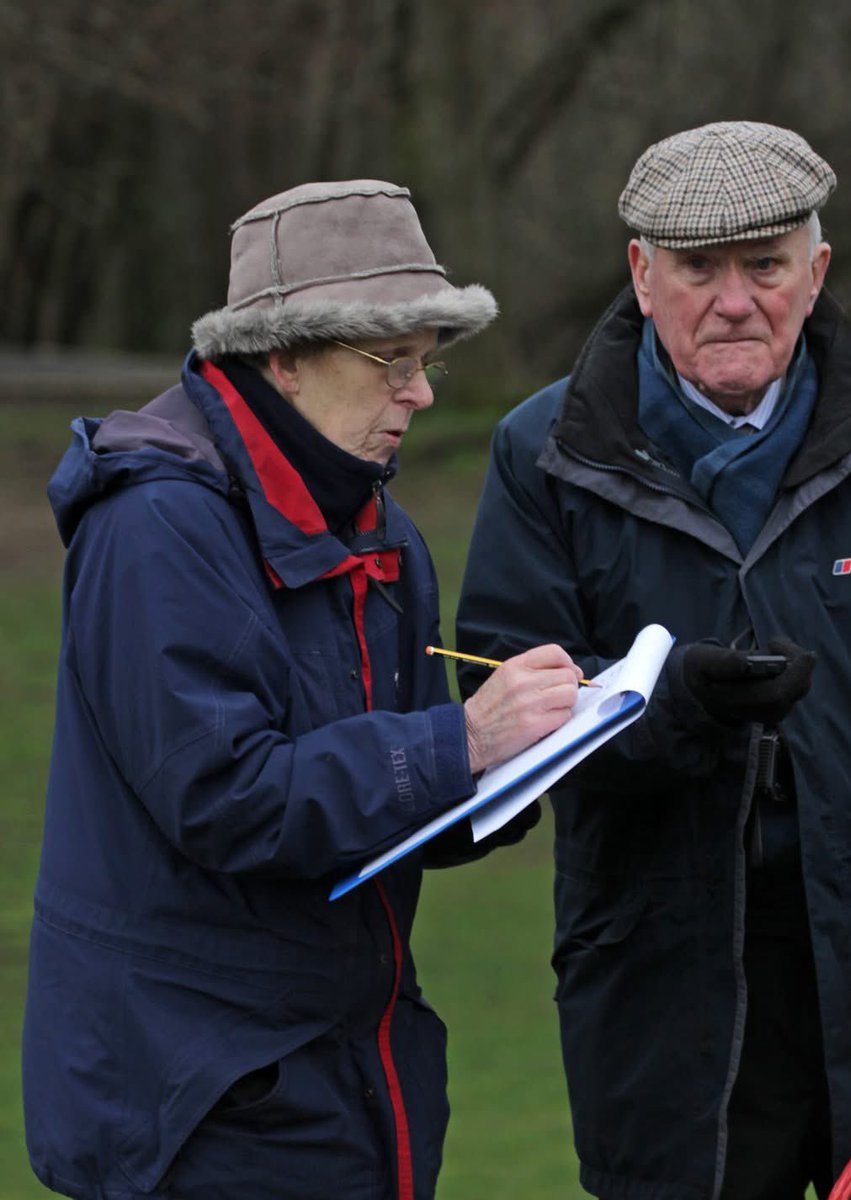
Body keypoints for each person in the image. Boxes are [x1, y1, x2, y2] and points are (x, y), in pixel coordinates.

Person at [454, 121, 851, 1199]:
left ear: (816, 271)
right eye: (698, 268)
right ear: (640, 274)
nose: (734, 300)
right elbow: (499, 703)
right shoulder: (543, 451)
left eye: (764, 265)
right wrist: (668, 709)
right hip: (663, 982)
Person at [22, 180, 582, 1200]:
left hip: (354, 1078)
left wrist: (540, 754)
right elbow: (228, 799)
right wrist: (460, 743)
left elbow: (389, 809)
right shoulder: (157, 525)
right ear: (281, 358)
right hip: (202, 1104)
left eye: (426, 361)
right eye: (390, 362)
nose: (420, 394)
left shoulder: (378, 529)